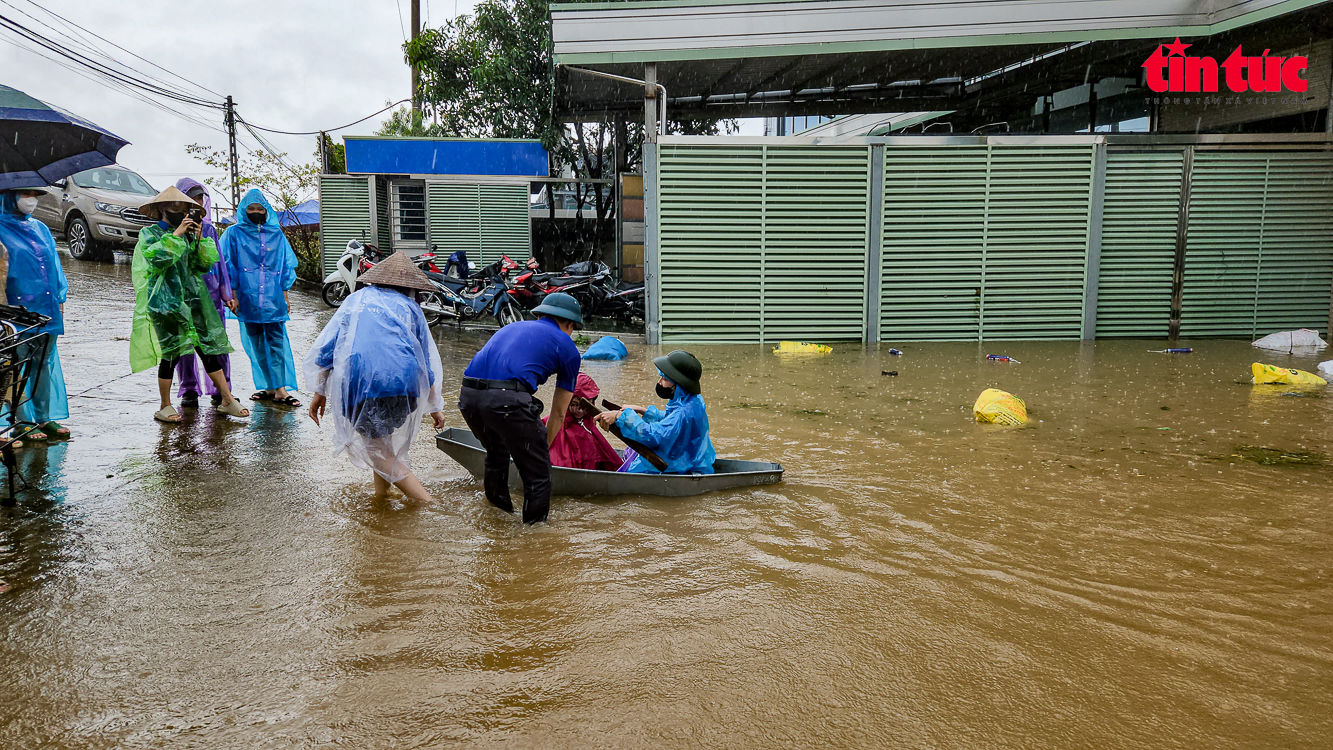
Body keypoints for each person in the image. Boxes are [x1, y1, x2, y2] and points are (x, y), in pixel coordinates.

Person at [304, 252, 445, 504]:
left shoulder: (356, 300)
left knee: (377, 449)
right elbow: (426, 361)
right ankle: (382, 496)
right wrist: (435, 407)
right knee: (382, 443)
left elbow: (328, 349)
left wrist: (319, 392)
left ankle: (427, 503)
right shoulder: (411, 307)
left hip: (362, 384)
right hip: (405, 386)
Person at [457, 292, 582, 524]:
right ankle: (535, 539)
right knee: (539, 475)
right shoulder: (568, 347)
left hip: (469, 397)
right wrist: (541, 449)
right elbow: (559, 412)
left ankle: (496, 517)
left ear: (541, 314)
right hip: (506, 400)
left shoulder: (512, 327)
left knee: (496, 454)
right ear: (569, 323)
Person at [129, 185, 249, 423]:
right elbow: (156, 260)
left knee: (207, 350)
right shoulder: (150, 234)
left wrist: (199, 241)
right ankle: (165, 405)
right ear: (161, 208)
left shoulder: (190, 234)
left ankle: (226, 398)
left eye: (183, 208)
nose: (179, 211)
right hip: (164, 303)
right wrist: (177, 235)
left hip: (193, 302)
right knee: (171, 354)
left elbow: (203, 265)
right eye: (174, 207)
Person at [220, 188, 300, 407]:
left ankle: (282, 389)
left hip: (273, 298)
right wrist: (232, 294)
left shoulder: (276, 234)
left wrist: (285, 294)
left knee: (276, 342)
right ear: (244, 211)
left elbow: (285, 265)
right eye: (251, 209)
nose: (256, 212)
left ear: (267, 211)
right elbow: (228, 265)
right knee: (255, 343)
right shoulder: (233, 234)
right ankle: (269, 386)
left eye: (259, 208)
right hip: (246, 298)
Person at [0, 188, 70, 441]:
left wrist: (60, 299)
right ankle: (20, 420)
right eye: (25, 193)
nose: (31, 199)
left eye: (34, 193)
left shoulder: (40, 228)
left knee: (43, 363)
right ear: (8, 195)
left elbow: (54, 265)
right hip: (13, 309)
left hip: (46, 306)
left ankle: (43, 417)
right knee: (13, 364)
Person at [595, 350, 716, 475]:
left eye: (664, 379)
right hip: (692, 461)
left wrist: (620, 416)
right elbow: (670, 420)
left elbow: (652, 436)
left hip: (682, 468)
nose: (659, 382)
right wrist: (643, 410)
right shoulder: (692, 401)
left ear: (679, 384)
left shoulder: (683, 412)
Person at [171, 178, 234, 408]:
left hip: (210, 295)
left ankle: (222, 390)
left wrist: (227, 294)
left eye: (200, 198)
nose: (197, 202)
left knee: (216, 343)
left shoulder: (208, 229)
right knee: (186, 345)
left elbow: (218, 264)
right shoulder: (173, 229)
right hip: (183, 295)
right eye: (192, 198)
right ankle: (189, 389)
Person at [545, 373, 622, 471]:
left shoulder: (589, 424)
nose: (580, 411)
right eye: (574, 405)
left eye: (584, 407)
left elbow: (609, 459)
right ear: (567, 401)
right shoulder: (553, 422)